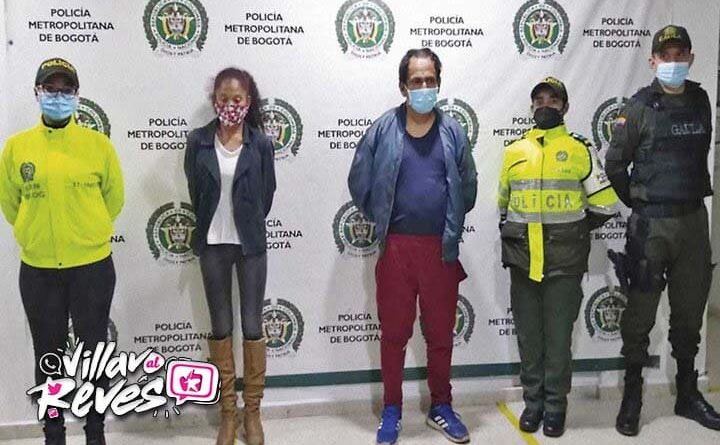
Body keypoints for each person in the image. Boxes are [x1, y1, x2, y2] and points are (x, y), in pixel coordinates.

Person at [348, 48, 477, 445]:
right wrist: (381, 215)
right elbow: (359, 181)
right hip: (396, 250)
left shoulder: (453, 131)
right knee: (394, 334)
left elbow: (468, 186)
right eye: (416, 80)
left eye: (430, 80)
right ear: (403, 86)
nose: (424, 86)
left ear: (438, 82)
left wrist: (450, 222)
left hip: (440, 250)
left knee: (440, 335)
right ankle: (391, 409)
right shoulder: (382, 129)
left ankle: (441, 406)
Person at [0, 58, 124, 445]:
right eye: (50, 89)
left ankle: (95, 432)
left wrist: (84, 232)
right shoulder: (17, 148)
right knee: (48, 358)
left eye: (65, 90)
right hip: (39, 271)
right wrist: (35, 232)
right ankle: (53, 433)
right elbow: (11, 204)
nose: (57, 96)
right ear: (37, 93)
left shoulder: (98, 146)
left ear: (76, 95)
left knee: (94, 357)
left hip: (92, 268)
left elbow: (114, 200)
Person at [605, 25, 720, 436]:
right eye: (665, 55)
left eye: (680, 55)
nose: (673, 62)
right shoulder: (638, 107)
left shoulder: (701, 100)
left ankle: (687, 392)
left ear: (690, 58)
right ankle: (633, 395)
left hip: (693, 222)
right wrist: (640, 202)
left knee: (689, 312)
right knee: (640, 314)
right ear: (652, 60)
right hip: (651, 225)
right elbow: (615, 165)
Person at [498, 77, 619, 437]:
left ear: (565, 107)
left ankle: (555, 407)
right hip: (523, 262)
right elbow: (504, 204)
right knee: (529, 339)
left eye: (553, 100)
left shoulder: (580, 149)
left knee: (557, 340)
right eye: (539, 100)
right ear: (532, 106)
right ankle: (532, 403)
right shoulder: (514, 151)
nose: (545, 105)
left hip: (564, 264)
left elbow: (605, 204)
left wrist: (575, 234)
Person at [184, 67, 276, 445]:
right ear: (214, 100)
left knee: (252, 326)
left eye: (238, 99)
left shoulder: (262, 145)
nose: (231, 105)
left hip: (250, 245)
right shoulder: (198, 141)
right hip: (212, 245)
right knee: (221, 327)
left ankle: (252, 413)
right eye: (224, 98)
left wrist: (245, 222)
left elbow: (266, 195)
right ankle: (228, 413)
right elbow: (196, 192)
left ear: (248, 102)